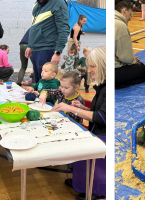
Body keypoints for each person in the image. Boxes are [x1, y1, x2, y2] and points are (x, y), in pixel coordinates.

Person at [52, 46, 107, 198]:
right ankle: (82, 181)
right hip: (97, 131)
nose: (89, 70)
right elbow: (99, 111)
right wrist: (83, 107)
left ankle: (98, 190)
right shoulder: (102, 86)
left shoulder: (107, 88)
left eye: (92, 67)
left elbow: (102, 118)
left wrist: (72, 109)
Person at [28, 0, 69, 88]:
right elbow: (34, 26)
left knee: (46, 86)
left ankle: (47, 102)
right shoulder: (37, 4)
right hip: (36, 49)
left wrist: (58, 51)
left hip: (46, 49)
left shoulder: (58, 3)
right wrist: (30, 45)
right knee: (39, 84)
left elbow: (64, 29)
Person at [115, 0, 145, 88]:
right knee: (144, 71)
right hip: (113, 70)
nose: (130, 18)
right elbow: (125, 58)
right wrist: (133, 61)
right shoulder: (120, 25)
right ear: (124, 10)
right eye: (130, 14)